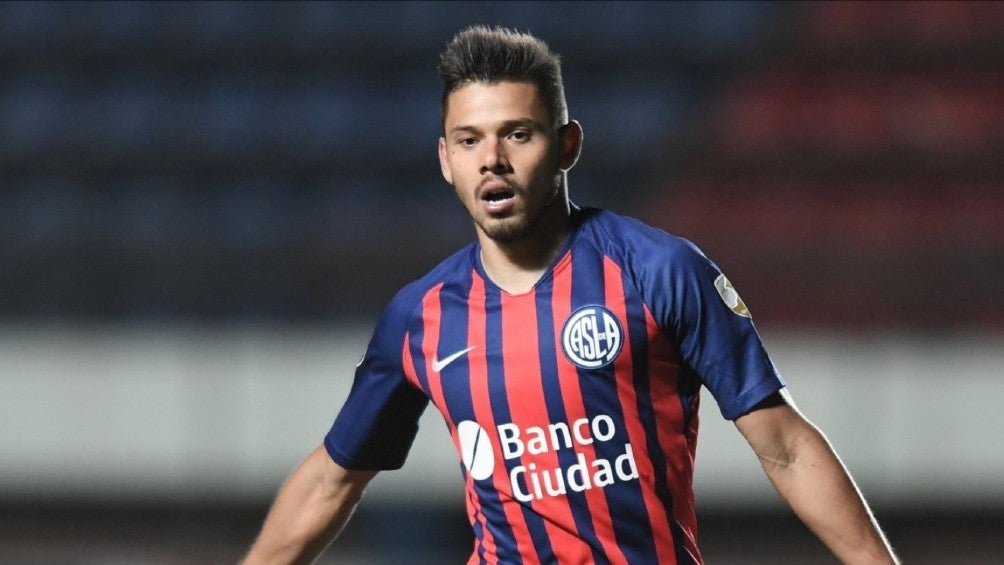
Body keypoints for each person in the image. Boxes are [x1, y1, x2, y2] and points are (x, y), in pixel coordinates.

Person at [242, 25, 898, 564]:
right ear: (446, 160)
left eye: (517, 134)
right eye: (470, 141)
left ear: (567, 145)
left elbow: (783, 443)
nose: (491, 158)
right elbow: (332, 480)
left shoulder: (658, 271)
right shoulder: (421, 318)